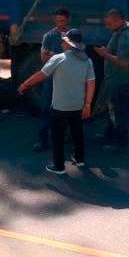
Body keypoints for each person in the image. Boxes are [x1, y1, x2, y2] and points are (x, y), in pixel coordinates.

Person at [18, 29, 96, 175]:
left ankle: (59, 166)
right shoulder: (87, 61)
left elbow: (41, 75)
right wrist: (88, 105)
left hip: (60, 107)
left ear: (68, 43)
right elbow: (91, 83)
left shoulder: (59, 58)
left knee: (58, 137)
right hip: (78, 105)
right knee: (77, 133)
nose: (62, 43)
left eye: (64, 41)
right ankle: (79, 159)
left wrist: (25, 84)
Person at [94, 8, 129, 153]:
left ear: (120, 20)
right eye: (106, 24)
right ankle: (109, 135)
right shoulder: (120, 31)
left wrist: (105, 54)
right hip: (116, 80)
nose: (107, 27)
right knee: (113, 110)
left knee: (118, 113)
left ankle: (120, 144)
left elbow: (124, 63)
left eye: (110, 24)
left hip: (120, 81)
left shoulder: (125, 37)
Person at [32, 7, 72, 152]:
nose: (60, 24)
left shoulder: (73, 36)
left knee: (68, 109)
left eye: (62, 21)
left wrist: (53, 55)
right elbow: (43, 58)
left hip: (67, 80)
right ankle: (42, 140)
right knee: (45, 108)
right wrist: (62, 56)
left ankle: (67, 136)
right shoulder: (48, 36)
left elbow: (77, 57)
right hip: (51, 79)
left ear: (68, 20)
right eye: (57, 21)